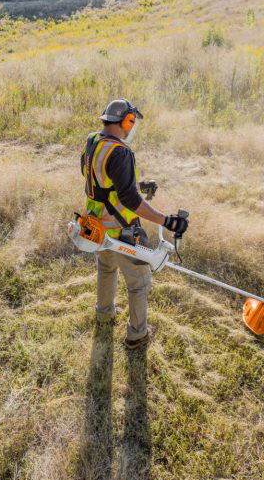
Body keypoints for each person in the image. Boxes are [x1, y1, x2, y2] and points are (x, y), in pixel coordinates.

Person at [81, 99, 189, 349]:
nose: (132, 127)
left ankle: (104, 314)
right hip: (122, 229)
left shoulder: (93, 141)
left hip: (96, 225)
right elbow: (129, 200)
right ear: (127, 121)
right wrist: (167, 221)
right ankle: (137, 335)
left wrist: (131, 184)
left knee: (106, 269)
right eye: (132, 122)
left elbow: (97, 179)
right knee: (139, 282)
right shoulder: (121, 152)